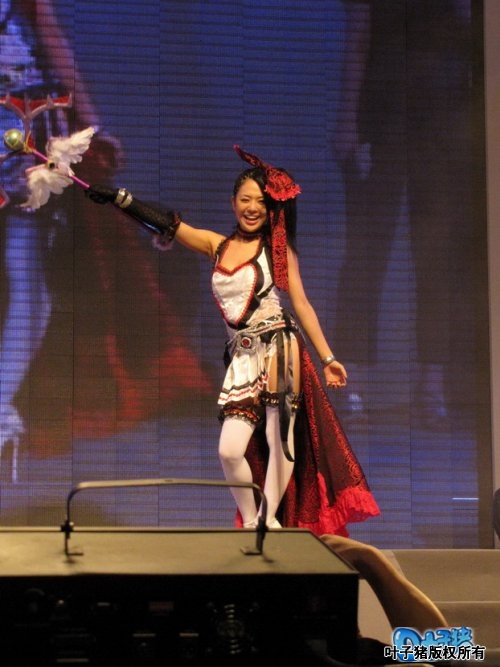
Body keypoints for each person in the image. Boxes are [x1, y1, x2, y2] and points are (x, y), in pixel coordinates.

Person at [85, 144, 380, 533]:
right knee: (229, 451)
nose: (252, 208)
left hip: (279, 346)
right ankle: (252, 518)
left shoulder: (276, 252)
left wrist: (328, 359)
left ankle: (268, 520)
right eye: (245, 199)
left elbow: (302, 304)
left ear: (270, 207)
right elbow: (170, 225)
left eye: (260, 201)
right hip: (241, 358)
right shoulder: (217, 246)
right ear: (233, 203)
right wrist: (119, 199)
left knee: (280, 438)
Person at [320, 534, 448, 665]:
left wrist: (368, 557)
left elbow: (438, 654)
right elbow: (438, 655)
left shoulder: (356, 651)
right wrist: (370, 559)